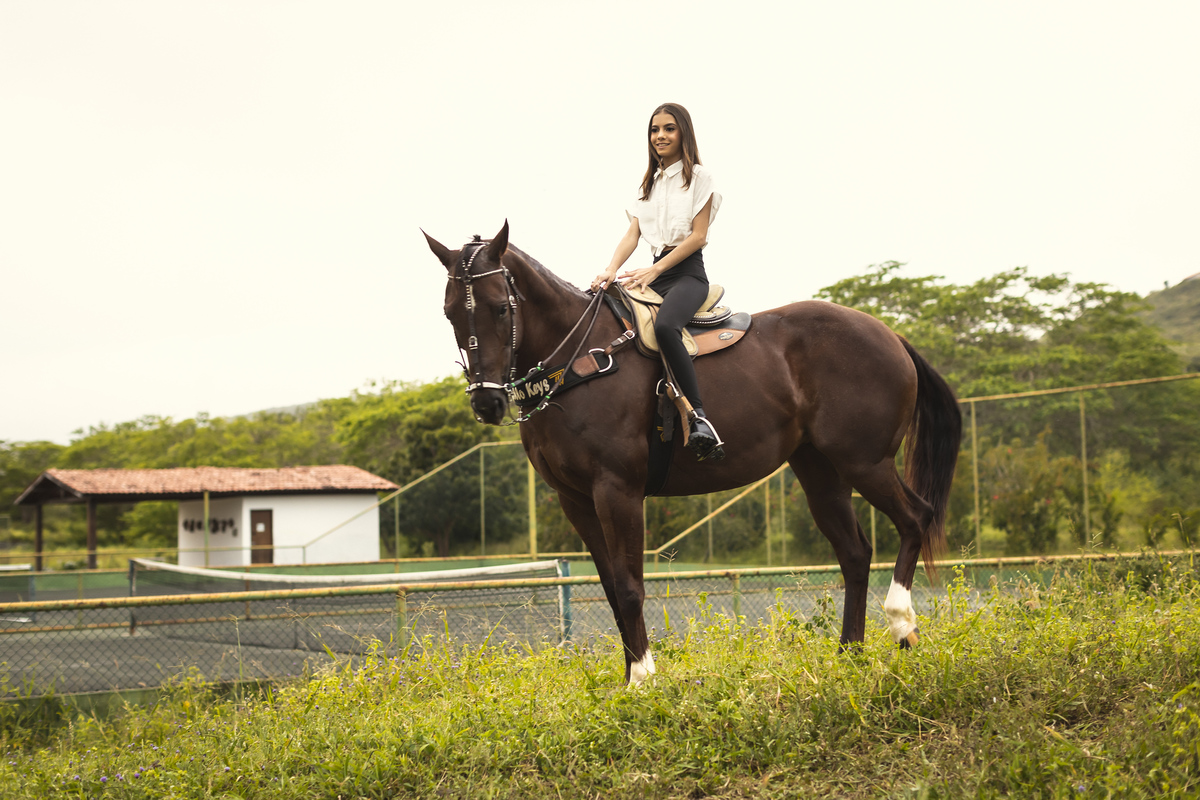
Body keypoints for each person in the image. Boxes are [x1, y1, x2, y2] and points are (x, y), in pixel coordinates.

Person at [591, 102, 725, 461]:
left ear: (683, 133)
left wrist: (654, 270)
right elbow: (632, 235)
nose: (660, 136)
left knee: (666, 326)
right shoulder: (646, 184)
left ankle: (698, 417)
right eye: (654, 130)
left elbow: (698, 236)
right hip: (653, 272)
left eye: (668, 128)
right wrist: (610, 268)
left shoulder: (700, 177)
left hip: (687, 274)